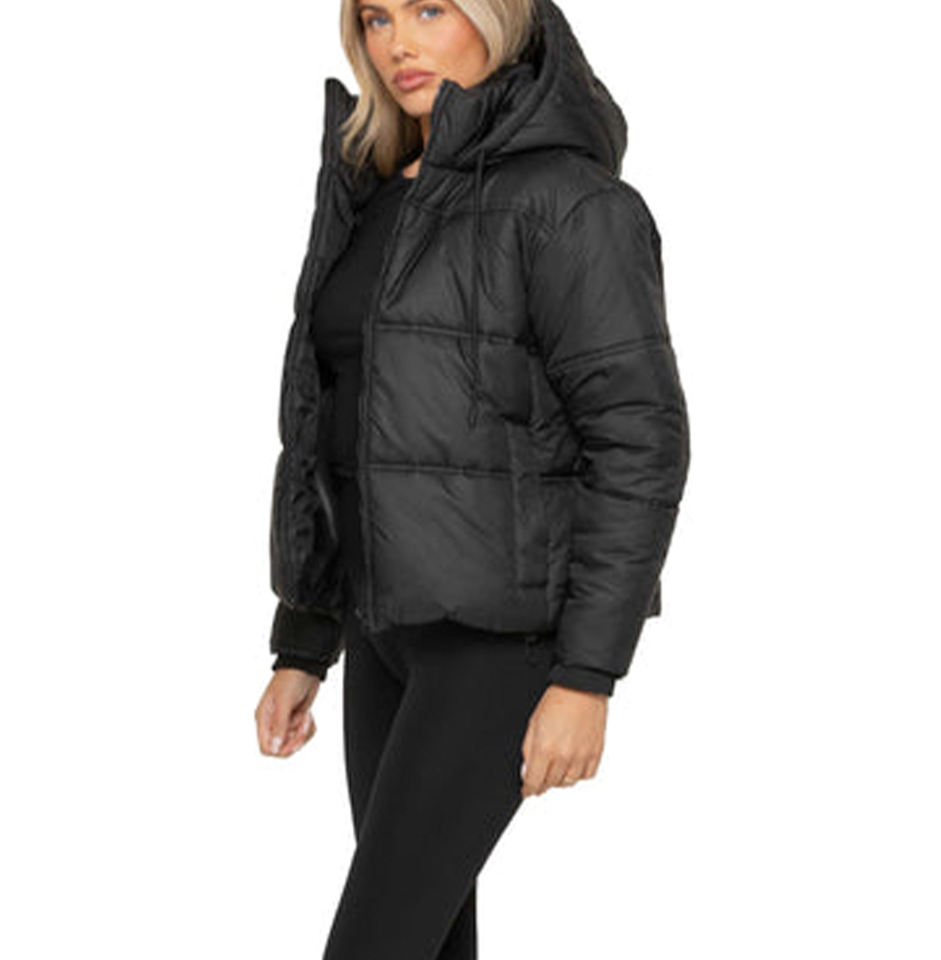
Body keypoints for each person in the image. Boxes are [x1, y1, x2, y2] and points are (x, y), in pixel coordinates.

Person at [254, 0, 690, 955]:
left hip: (501, 640)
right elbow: (329, 424)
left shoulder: (569, 201)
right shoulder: (370, 191)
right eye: (376, 18)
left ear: (499, 17)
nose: (398, 43)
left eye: (429, 8)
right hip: (383, 630)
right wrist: (306, 639)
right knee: (426, 941)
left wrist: (588, 674)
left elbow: (639, 440)